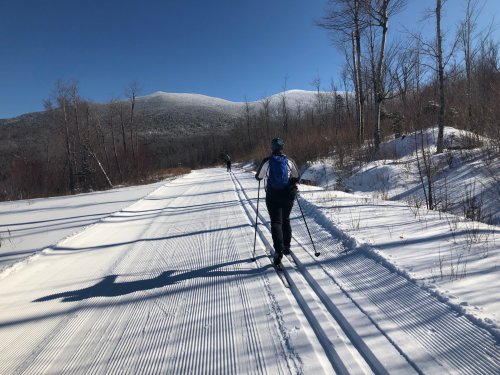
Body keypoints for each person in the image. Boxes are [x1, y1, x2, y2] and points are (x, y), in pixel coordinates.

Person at [255, 138, 300, 266]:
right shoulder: (289, 161)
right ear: (282, 148)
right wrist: (290, 180)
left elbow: (258, 177)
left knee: (276, 222)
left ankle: (278, 251)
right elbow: (297, 177)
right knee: (285, 220)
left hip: (272, 195)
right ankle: (286, 246)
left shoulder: (267, 161)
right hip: (287, 195)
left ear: (272, 148)